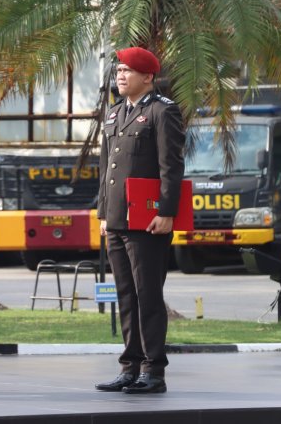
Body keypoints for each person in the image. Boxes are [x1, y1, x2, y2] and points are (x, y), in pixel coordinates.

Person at [95, 47, 185, 394]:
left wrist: (166, 212)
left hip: (148, 222)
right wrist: (104, 214)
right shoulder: (115, 113)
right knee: (126, 297)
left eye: (127, 70)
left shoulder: (163, 111)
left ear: (147, 76)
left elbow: (171, 167)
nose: (120, 75)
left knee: (148, 295)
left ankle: (153, 370)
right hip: (117, 221)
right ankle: (129, 367)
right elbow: (106, 171)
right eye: (118, 70)